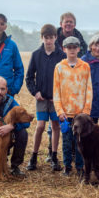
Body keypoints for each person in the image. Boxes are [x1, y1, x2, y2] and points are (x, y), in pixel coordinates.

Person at [25, 24, 66, 172]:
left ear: (56, 37)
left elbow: (65, 78)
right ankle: (33, 156)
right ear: (42, 38)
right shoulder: (36, 55)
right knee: (40, 126)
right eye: (46, 38)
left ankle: (54, 156)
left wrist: (58, 95)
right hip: (41, 99)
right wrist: (35, 92)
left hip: (56, 100)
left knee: (56, 126)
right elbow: (29, 77)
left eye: (51, 37)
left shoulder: (62, 56)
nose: (49, 41)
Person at [53, 36, 93, 177]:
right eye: (68, 47)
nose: (72, 50)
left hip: (80, 114)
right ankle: (67, 166)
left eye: (74, 47)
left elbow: (89, 90)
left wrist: (86, 111)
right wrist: (59, 111)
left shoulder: (85, 67)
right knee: (66, 142)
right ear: (64, 49)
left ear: (78, 48)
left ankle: (80, 167)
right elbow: (56, 91)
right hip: (65, 114)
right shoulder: (59, 67)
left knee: (80, 142)